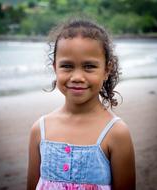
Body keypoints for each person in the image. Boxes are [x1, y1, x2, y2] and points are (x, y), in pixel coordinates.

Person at [27, 19, 136, 190]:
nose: (77, 76)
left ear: (107, 70)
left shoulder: (116, 133)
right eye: (67, 66)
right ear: (55, 67)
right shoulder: (39, 129)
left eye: (89, 66)